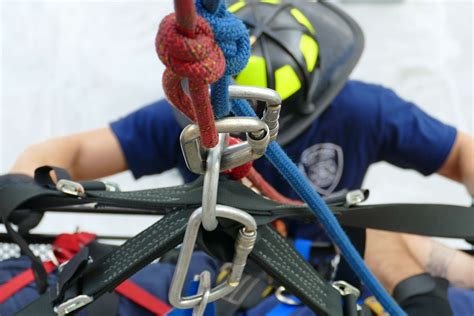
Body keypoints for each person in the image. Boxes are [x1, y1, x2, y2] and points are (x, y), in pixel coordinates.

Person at [9, 0, 474, 315]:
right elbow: (72, 153)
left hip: (337, 254)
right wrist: (22, 186)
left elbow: (461, 153)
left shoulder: (366, 111)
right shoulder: (190, 118)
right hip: (227, 262)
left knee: (390, 240)